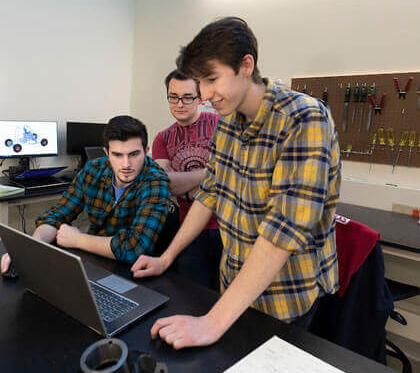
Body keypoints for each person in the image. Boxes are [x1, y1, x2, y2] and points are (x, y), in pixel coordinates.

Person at [131, 17, 340, 349]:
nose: (205, 94)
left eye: (212, 79)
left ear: (246, 65)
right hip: (232, 287)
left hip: (285, 296)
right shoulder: (227, 123)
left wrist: (211, 323)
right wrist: (167, 257)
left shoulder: (304, 118)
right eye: (201, 82)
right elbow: (210, 194)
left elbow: (283, 230)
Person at [0, 115, 171, 273]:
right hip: (94, 261)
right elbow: (57, 215)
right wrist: (32, 247)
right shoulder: (93, 169)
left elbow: (133, 248)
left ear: (146, 150)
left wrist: (77, 239)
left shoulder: (156, 180)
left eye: (134, 154)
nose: (126, 164)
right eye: (117, 155)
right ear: (106, 153)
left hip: (135, 270)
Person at [151, 69, 222, 290]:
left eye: (187, 97)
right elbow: (166, 184)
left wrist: (184, 183)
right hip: (188, 231)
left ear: (200, 98)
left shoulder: (222, 125)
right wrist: (211, 172)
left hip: (227, 228)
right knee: (193, 296)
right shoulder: (162, 138)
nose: (179, 104)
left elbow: (232, 177)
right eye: (173, 97)